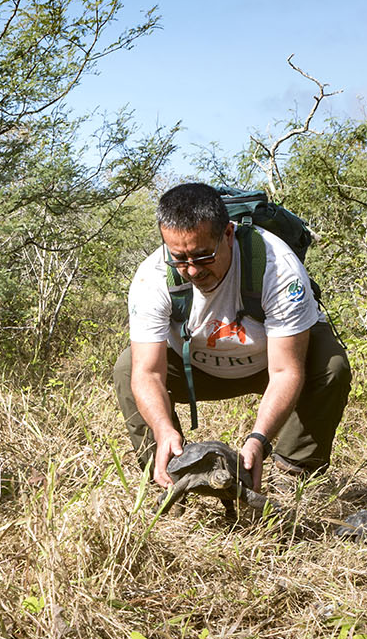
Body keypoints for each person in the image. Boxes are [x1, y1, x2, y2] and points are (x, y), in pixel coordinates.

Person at [114, 181, 352, 492]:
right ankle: (168, 476)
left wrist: (259, 440)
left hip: (269, 365)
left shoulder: (277, 267)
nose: (192, 271)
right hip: (196, 369)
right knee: (129, 368)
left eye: (203, 256)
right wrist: (163, 429)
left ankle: (292, 477)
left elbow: (285, 371)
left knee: (330, 366)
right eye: (180, 259)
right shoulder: (153, 277)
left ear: (228, 234)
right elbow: (148, 372)